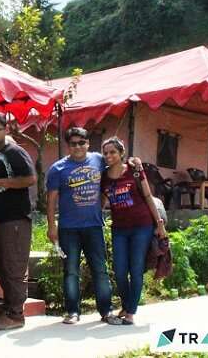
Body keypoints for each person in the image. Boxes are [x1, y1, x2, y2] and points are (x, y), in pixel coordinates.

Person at [46, 127, 122, 325]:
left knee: (100, 270)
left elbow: (116, 167)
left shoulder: (99, 160)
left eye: (82, 142)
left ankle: (106, 311)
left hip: (94, 226)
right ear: (68, 146)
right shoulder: (58, 169)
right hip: (68, 228)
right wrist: (51, 227)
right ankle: (72, 311)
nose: (78, 147)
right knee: (71, 271)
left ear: (88, 143)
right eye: (73, 143)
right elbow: (51, 200)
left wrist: (135, 164)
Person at [101, 136, 167, 325]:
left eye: (113, 152)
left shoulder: (134, 170)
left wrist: (159, 224)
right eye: (105, 153)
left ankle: (130, 312)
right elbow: (102, 202)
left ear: (121, 153)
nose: (108, 156)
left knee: (136, 268)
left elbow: (147, 195)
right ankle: (126, 304)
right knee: (120, 270)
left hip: (142, 226)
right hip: (119, 229)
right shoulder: (104, 176)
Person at [0, 112, 36, 331]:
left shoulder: (15, 152)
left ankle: (16, 314)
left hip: (16, 218)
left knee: (14, 266)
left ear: (5, 130)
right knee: (2, 266)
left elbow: (30, 179)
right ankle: (10, 308)